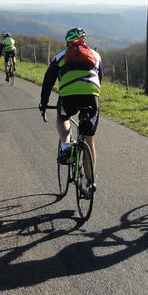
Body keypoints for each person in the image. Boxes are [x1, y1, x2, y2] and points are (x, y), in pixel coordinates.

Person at [39, 27, 103, 187]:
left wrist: (44, 102)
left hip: (68, 96)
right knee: (89, 140)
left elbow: (48, 81)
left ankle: (66, 146)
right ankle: (89, 182)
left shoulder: (61, 55)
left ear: (67, 42)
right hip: (91, 96)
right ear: (84, 41)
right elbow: (100, 79)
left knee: (62, 118)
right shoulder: (95, 55)